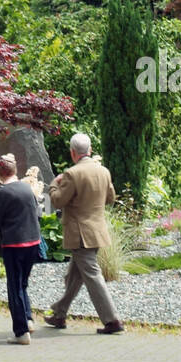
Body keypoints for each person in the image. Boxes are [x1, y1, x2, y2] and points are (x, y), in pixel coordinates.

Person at [44, 132, 124, 335]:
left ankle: (112, 320)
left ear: (73, 153)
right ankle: (59, 314)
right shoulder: (104, 171)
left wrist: (54, 183)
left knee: (92, 276)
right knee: (74, 276)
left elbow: (58, 200)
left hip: (80, 234)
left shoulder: (72, 174)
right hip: (97, 231)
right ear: (89, 150)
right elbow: (110, 198)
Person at [0, 153, 42, 344]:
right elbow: (38, 213)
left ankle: (21, 332)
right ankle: (28, 319)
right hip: (33, 242)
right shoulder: (27, 187)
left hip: (14, 245)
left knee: (14, 287)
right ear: (15, 170)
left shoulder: (1, 193)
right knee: (22, 284)